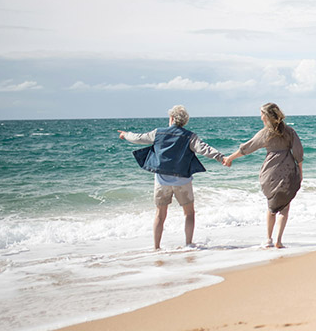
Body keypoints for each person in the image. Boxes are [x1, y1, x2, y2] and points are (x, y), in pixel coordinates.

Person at [118, 105, 226, 250]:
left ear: (172, 118)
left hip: (162, 181)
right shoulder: (189, 136)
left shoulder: (158, 133)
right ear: (184, 121)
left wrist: (125, 134)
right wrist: (222, 158)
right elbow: (204, 149)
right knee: (189, 213)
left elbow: (138, 138)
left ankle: (156, 247)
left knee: (160, 215)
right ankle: (188, 244)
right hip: (183, 181)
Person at [224, 103, 304, 249]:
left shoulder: (265, 133)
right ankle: (278, 240)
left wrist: (230, 158)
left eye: (262, 114)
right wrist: (300, 170)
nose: (261, 117)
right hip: (288, 170)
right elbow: (298, 152)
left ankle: (268, 239)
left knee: (271, 207)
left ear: (267, 116)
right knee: (284, 208)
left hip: (270, 172)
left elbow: (247, 148)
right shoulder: (289, 131)